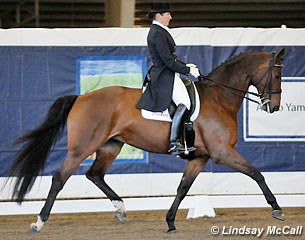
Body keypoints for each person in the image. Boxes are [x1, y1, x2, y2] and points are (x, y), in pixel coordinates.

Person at [136, 2, 200, 155]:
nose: (170, 17)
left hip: (167, 72)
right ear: (158, 15)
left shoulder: (160, 30)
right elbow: (168, 62)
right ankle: (174, 142)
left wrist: (186, 65)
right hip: (164, 75)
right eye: (167, 14)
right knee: (185, 102)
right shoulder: (157, 33)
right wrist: (187, 70)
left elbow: (170, 58)